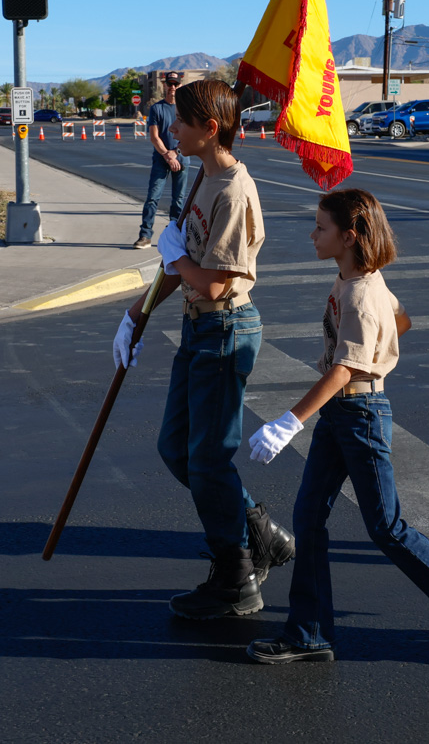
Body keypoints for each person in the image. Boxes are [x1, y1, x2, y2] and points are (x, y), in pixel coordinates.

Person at [245, 188, 429, 666]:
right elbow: (402, 320)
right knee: (309, 517)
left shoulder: (362, 293)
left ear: (349, 236)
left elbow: (345, 368)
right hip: (342, 414)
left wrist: (289, 421)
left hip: (360, 415)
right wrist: (380, 349)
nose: (312, 234)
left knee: (387, 528)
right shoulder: (358, 279)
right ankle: (308, 633)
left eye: (321, 228)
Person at [112, 79, 295, 620]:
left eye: (183, 123)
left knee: (208, 460)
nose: (173, 130)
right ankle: (259, 530)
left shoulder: (234, 192)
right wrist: (134, 315)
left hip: (225, 330)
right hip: (198, 330)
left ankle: (236, 576)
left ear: (210, 129)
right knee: (178, 450)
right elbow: (182, 262)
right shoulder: (201, 179)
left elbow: (214, 282)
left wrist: (175, 258)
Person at [133, 72, 190, 249]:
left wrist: (176, 152)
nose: (172, 87)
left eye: (175, 84)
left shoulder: (186, 109)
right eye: (169, 84)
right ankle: (145, 235)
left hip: (182, 158)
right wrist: (167, 155)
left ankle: (175, 234)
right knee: (152, 197)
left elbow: (190, 134)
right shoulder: (157, 109)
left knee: (178, 200)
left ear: (180, 85)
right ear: (165, 85)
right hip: (161, 159)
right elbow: (154, 137)